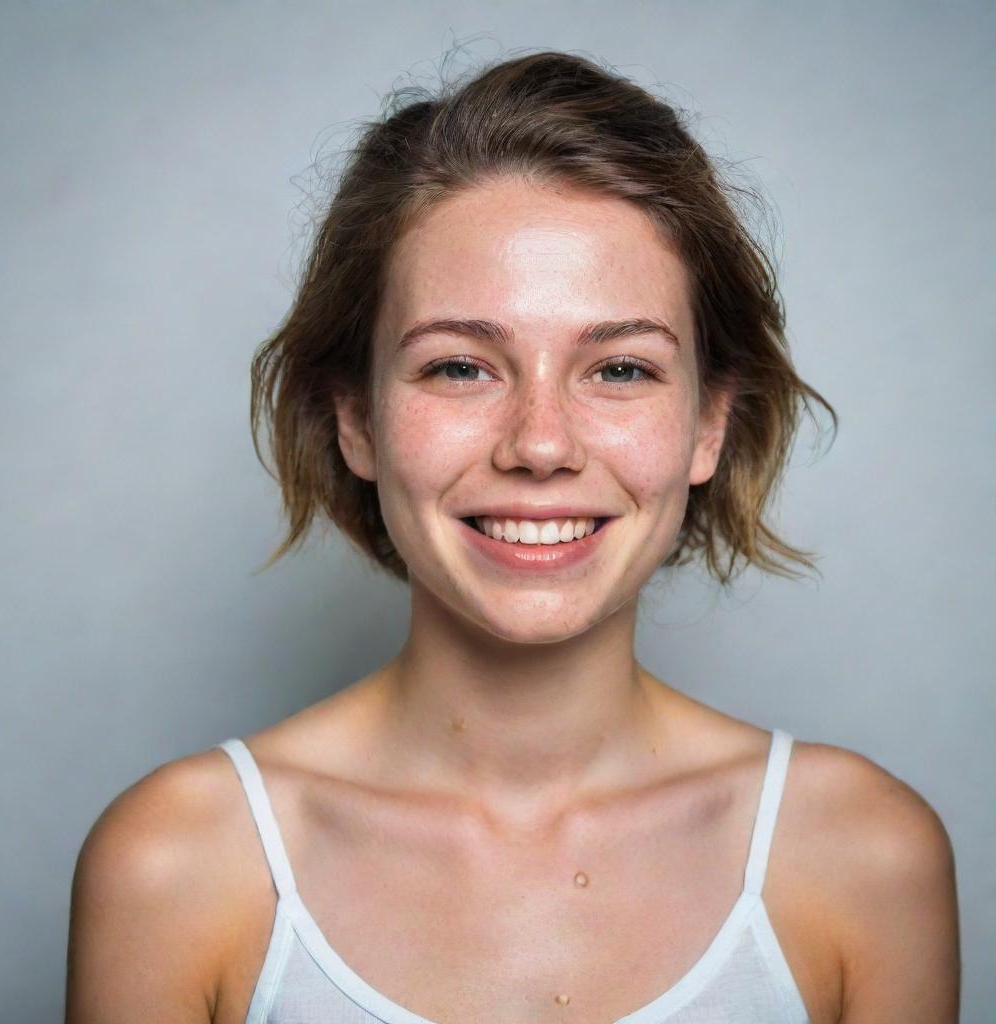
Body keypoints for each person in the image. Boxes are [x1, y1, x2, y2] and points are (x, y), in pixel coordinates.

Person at [65, 50, 960, 1023]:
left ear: (709, 423)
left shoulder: (864, 855)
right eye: (458, 367)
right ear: (355, 420)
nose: (540, 444)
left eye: (619, 369)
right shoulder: (179, 864)